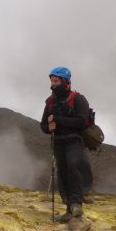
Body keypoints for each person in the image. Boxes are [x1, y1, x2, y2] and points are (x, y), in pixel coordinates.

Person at [40, 66, 93, 222]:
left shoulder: (78, 99)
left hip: (74, 141)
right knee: (62, 173)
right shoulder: (50, 102)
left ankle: (77, 204)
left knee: (74, 168)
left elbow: (81, 122)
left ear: (65, 81)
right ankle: (70, 209)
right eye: (52, 81)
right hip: (58, 142)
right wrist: (49, 128)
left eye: (56, 81)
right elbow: (43, 125)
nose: (53, 84)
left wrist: (57, 119)